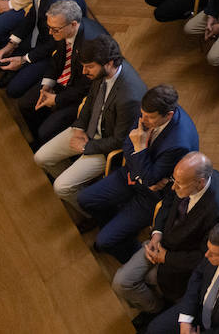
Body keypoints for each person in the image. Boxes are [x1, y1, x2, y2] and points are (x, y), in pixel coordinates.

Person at [111, 152, 219, 325]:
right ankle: (154, 308)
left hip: (178, 263)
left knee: (147, 280)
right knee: (121, 282)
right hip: (161, 242)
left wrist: (166, 258)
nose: (173, 187)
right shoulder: (185, 179)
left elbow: (204, 257)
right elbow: (167, 204)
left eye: (179, 185)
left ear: (200, 183)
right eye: (174, 181)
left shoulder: (218, 211)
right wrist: (157, 233)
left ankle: (158, 310)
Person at [78, 84, 199, 262]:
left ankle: (132, 252)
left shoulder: (178, 143)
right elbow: (127, 145)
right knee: (85, 199)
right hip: (130, 175)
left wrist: (140, 148)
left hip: (150, 196)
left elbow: (150, 179)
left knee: (105, 241)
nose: (142, 120)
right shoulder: (148, 112)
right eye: (142, 114)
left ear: (169, 115)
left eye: (149, 117)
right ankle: (113, 224)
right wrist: (140, 166)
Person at [34, 35, 144, 215]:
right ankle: (81, 188)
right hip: (86, 131)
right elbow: (90, 102)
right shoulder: (100, 73)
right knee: (41, 158)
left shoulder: (129, 97)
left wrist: (86, 146)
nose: (84, 71)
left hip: (103, 146)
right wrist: (78, 128)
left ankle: (93, 213)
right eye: (83, 66)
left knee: (60, 187)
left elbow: (119, 140)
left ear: (109, 63)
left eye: (89, 66)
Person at [14, 0, 108, 143]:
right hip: (63, 80)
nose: (50, 33)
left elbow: (86, 87)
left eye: (55, 29)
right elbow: (57, 58)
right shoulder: (62, 31)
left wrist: (56, 99)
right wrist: (47, 85)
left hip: (81, 95)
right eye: (49, 27)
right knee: (25, 104)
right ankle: (38, 139)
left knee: (46, 131)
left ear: (73, 24)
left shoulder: (91, 46)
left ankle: (44, 140)